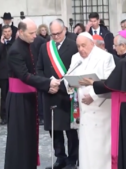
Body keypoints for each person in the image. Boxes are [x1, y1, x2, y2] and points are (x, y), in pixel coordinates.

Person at [79, 30, 126, 169]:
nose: (114, 48)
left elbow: (110, 85)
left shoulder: (124, 62)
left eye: (115, 45)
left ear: (123, 45)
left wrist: (92, 83)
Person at [4, 18, 61, 169]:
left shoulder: (29, 44)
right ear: (21, 32)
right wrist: (47, 83)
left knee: (29, 137)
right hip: (18, 100)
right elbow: (25, 76)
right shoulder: (15, 50)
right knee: (20, 138)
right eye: (31, 33)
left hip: (29, 97)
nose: (35, 36)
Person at [64, 32, 115, 169]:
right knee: (86, 145)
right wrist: (69, 83)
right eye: (78, 46)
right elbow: (68, 76)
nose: (81, 49)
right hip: (84, 111)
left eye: (84, 45)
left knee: (100, 146)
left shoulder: (105, 57)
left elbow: (111, 81)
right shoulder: (76, 58)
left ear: (92, 44)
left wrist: (93, 95)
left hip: (100, 109)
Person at [37, 19, 79, 169]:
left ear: (65, 30)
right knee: (54, 128)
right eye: (52, 34)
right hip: (50, 92)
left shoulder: (74, 46)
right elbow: (39, 69)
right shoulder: (45, 47)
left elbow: (78, 69)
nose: (55, 36)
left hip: (68, 93)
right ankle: (60, 157)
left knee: (70, 129)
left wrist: (61, 84)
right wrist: (48, 83)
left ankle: (73, 159)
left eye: (58, 33)